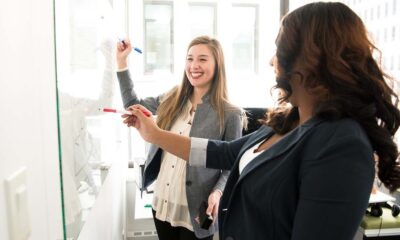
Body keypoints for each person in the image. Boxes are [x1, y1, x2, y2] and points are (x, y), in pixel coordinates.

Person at [122, 2, 400, 240]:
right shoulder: (287, 121)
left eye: (279, 49)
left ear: (311, 59)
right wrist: (154, 135)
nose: (270, 61)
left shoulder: (341, 144)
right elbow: (225, 153)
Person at [116, 36, 244, 240]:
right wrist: (122, 62)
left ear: (217, 64)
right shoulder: (172, 97)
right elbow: (133, 104)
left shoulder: (230, 113)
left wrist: (218, 192)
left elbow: (232, 164)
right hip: (163, 203)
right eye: (190, 58)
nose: (194, 65)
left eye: (202, 59)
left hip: (196, 211)